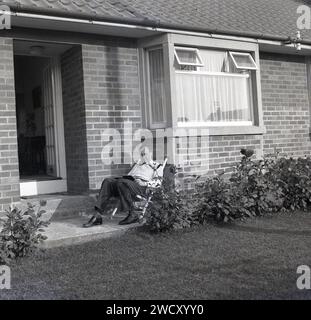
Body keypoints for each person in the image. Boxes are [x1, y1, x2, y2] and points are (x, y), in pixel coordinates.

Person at [83, 151, 161, 228]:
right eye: (142, 154)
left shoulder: (157, 166)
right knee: (107, 181)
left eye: (145, 153)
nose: (143, 156)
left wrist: (144, 183)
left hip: (141, 187)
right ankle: (98, 215)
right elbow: (130, 175)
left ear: (151, 154)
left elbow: (158, 182)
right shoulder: (138, 164)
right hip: (127, 184)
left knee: (121, 182)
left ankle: (133, 214)